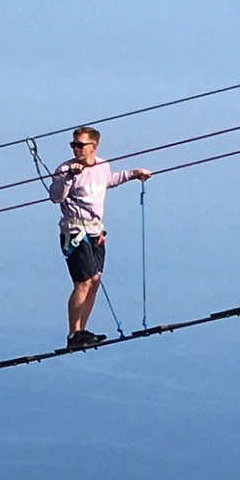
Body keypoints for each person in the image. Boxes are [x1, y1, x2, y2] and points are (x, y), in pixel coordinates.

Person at [47, 126, 150, 350]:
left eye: (80, 145)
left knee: (95, 281)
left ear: (94, 146)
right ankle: (73, 333)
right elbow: (55, 197)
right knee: (82, 282)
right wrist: (69, 178)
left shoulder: (102, 166)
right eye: (73, 145)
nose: (76, 149)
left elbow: (108, 181)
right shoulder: (65, 169)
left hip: (96, 231)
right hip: (74, 231)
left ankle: (82, 331)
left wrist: (133, 174)